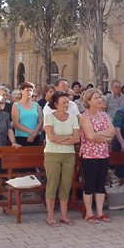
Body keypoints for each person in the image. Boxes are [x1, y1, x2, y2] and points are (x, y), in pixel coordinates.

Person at [43, 91, 80, 227]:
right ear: (56, 104)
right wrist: (67, 139)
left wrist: (61, 140)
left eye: (67, 102)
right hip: (52, 154)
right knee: (52, 184)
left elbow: (76, 138)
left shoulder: (72, 118)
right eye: (63, 102)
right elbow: (51, 137)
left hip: (69, 155)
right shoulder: (49, 117)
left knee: (66, 185)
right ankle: (50, 216)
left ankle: (64, 216)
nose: (66, 104)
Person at [79, 88, 116, 223]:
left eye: (99, 97)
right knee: (90, 183)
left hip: (103, 153)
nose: (99, 100)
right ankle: (89, 213)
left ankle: (100, 212)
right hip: (89, 155)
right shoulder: (84, 116)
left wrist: (99, 135)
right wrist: (103, 136)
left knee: (101, 183)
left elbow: (112, 132)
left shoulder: (104, 115)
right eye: (96, 98)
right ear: (88, 101)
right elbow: (90, 136)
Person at [12, 81, 43, 146]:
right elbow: (15, 123)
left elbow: (40, 121)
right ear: (21, 91)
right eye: (27, 90)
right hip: (21, 137)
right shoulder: (16, 105)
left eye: (31, 90)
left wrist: (34, 133)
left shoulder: (36, 105)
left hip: (35, 137)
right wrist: (30, 132)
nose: (29, 92)